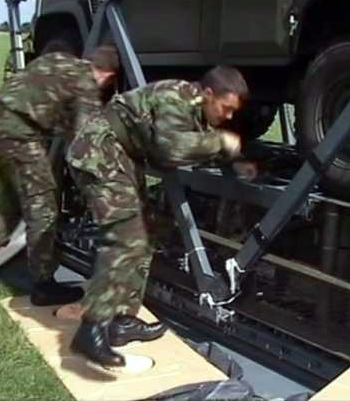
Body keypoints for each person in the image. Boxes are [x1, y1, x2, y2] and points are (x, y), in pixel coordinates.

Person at [65, 65, 249, 368]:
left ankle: (121, 320)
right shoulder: (175, 97)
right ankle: (91, 329)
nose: (228, 116)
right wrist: (221, 142)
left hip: (122, 157)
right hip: (100, 150)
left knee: (145, 233)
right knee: (124, 237)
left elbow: (198, 141)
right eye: (225, 108)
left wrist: (235, 160)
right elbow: (171, 149)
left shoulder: (196, 109)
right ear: (208, 93)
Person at [0, 43, 121, 307]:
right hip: (18, 136)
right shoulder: (86, 84)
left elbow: (59, 118)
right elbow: (85, 140)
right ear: (108, 75)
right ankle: (43, 285)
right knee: (44, 210)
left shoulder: (57, 59)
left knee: (13, 208)